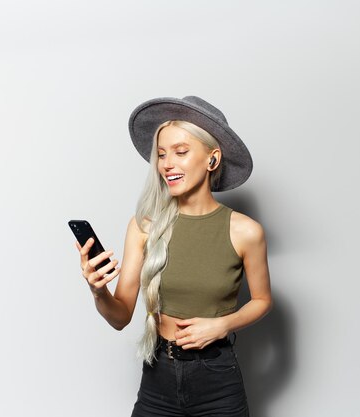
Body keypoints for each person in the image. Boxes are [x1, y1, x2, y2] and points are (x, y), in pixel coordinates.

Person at [76, 96, 272, 416]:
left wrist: (222, 325)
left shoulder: (245, 231)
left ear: (212, 159)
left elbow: (263, 300)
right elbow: (120, 317)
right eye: (162, 154)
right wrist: (98, 290)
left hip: (217, 380)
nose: (167, 164)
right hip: (158, 377)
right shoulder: (144, 226)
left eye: (181, 152)